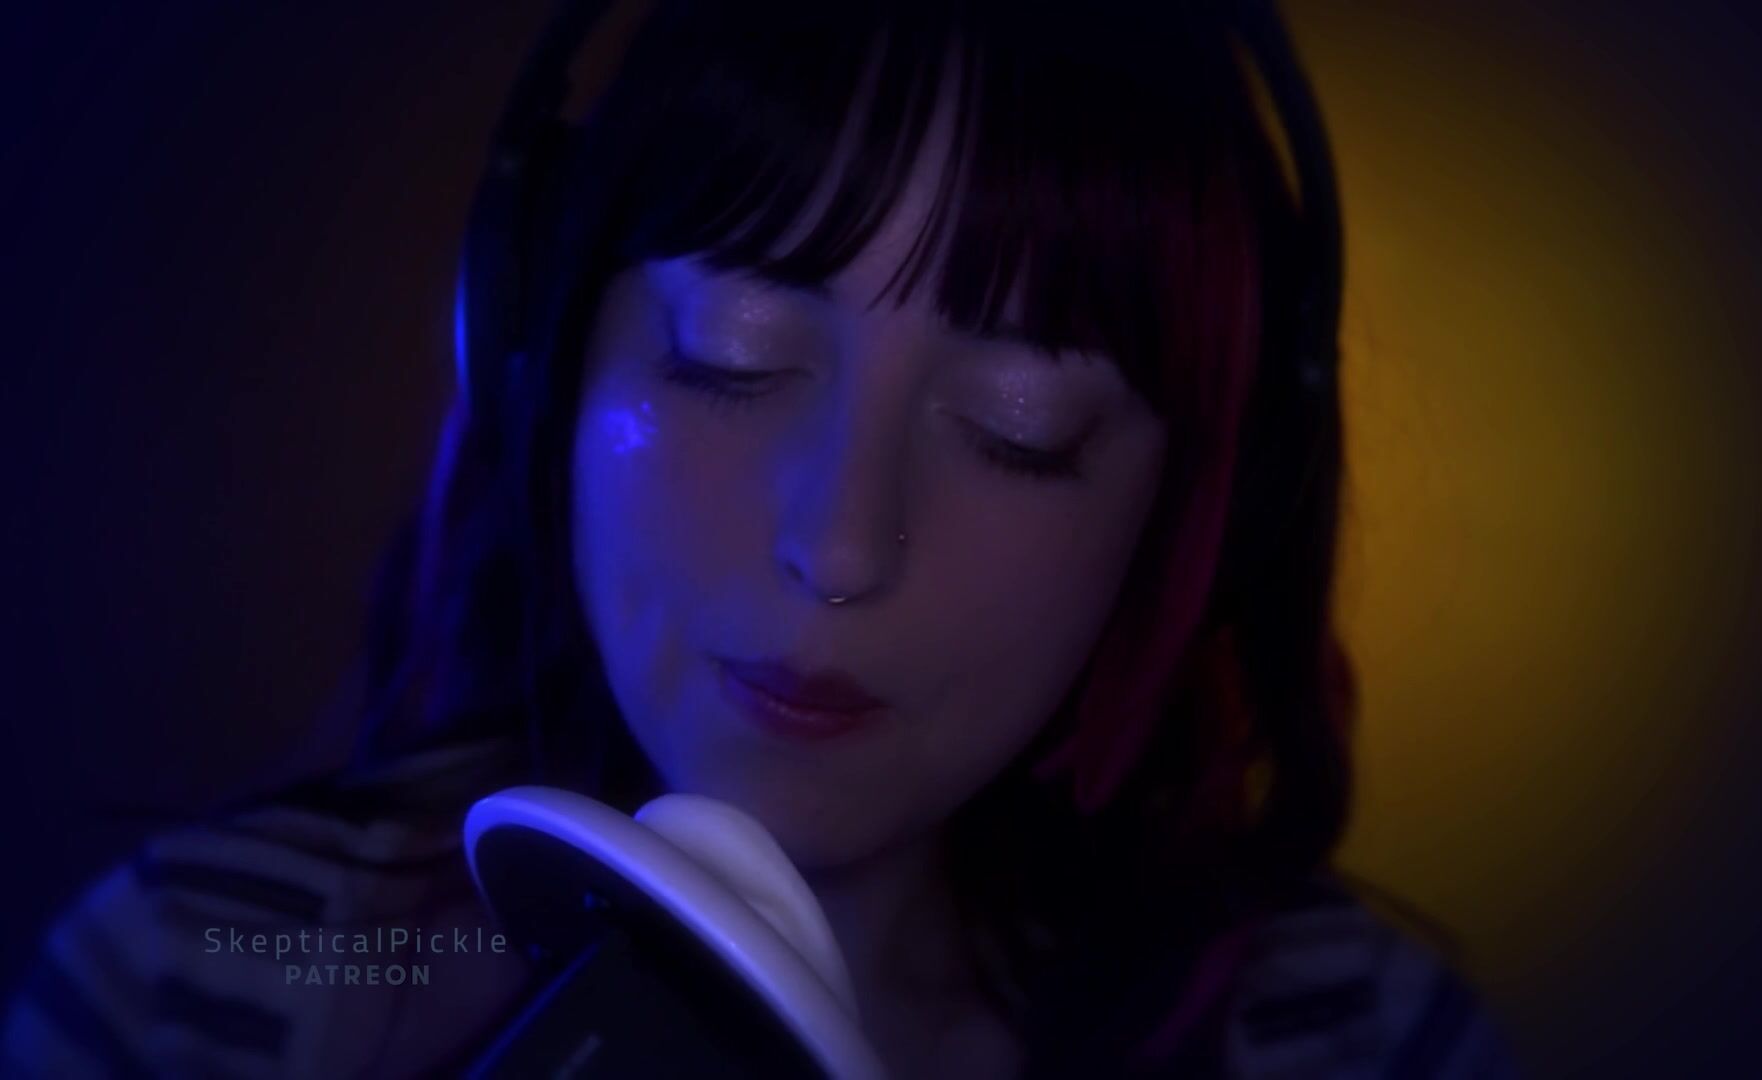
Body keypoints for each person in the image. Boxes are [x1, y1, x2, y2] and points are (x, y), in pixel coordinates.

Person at [3, 1, 1522, 1076]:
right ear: (535, 350)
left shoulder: (1360, 1044)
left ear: (1195, 506)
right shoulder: (197, 982)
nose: (839, 549)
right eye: (725, 358)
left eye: (1021, 428)